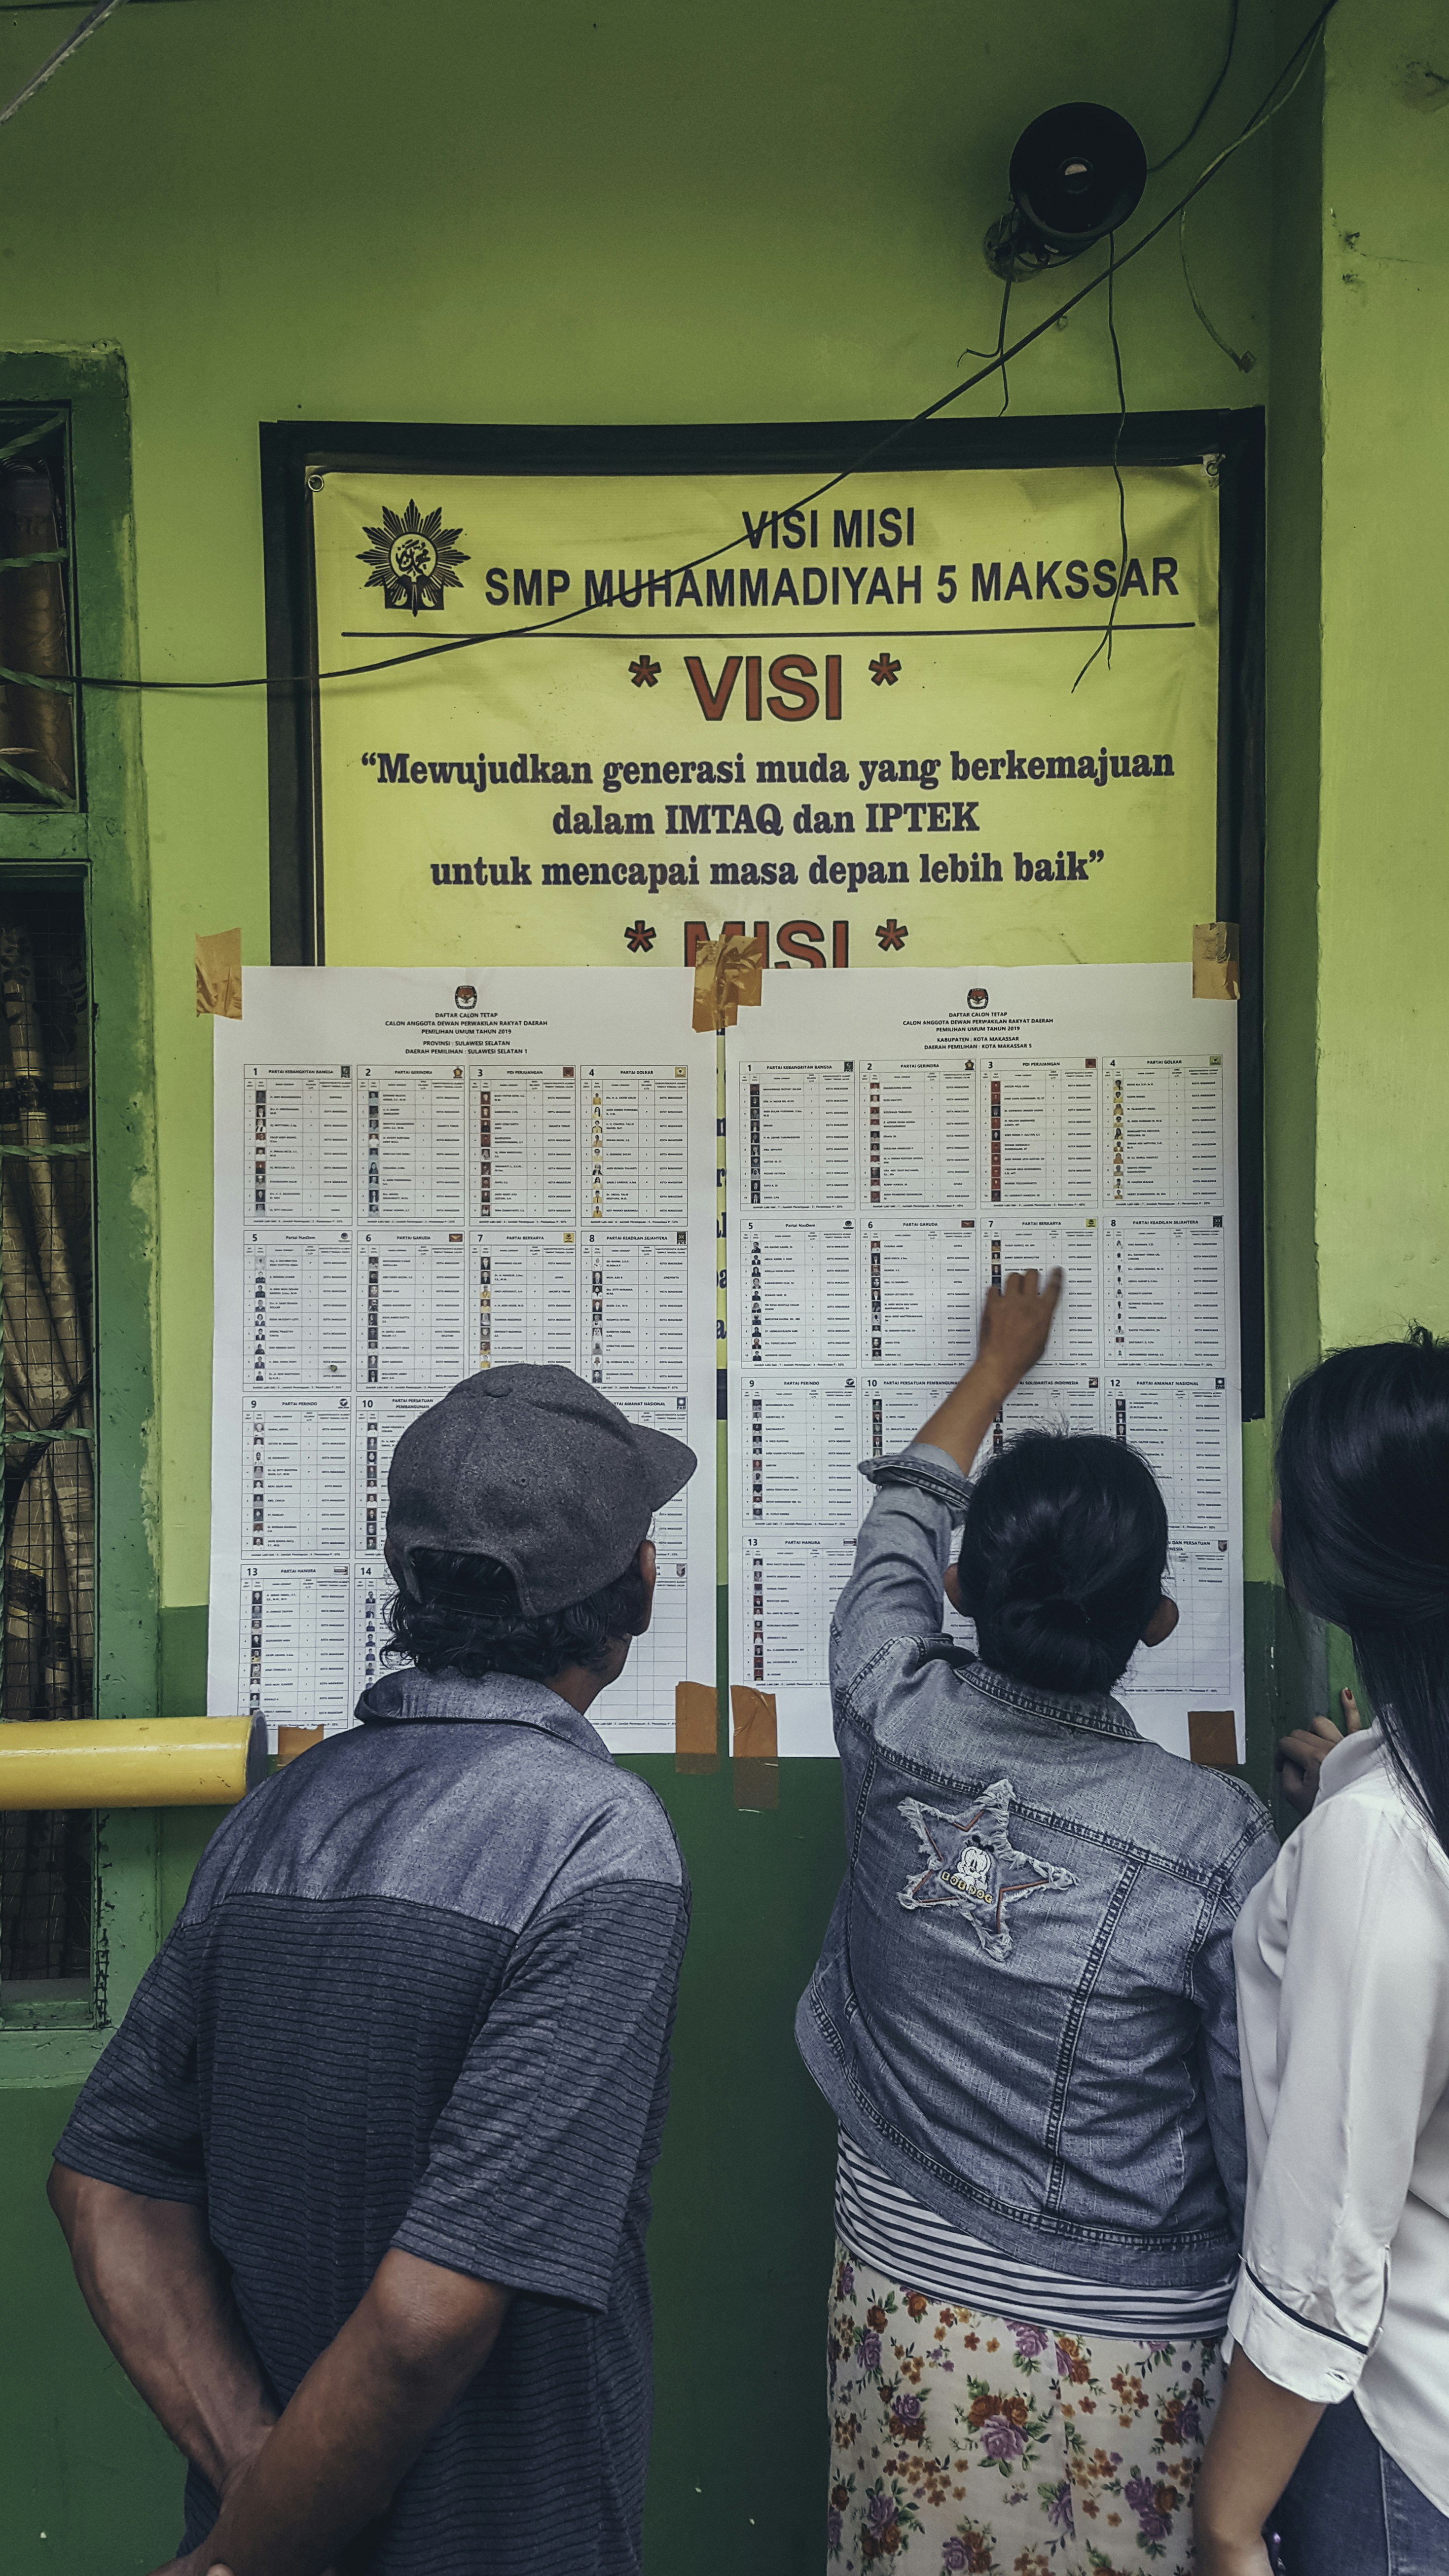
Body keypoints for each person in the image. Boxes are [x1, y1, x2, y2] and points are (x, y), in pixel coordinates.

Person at [47, 1364, 696, 2576]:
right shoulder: (597, 1841)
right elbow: (424, 2315)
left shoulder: (275, 1817)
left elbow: (106, 2182)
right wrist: (256, 2547)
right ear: (633, 1595)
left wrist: (255, 2491)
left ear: (411, 1581)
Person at [796, 1270, 1276, 2576]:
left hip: (912, 2317)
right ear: (1156, 1625)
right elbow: (1247, 2129)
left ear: (962, 1587)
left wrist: (994, 1371)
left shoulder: (891, 1711)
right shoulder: (1215, 1837)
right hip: (1144, 2343)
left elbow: (896, 1526)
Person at [1195, 1330, 1449, 2576]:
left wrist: (1228, 2519)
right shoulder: (1384, 1807)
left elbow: (1323, 2236)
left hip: (1395, 2434)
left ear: (1320, 1553)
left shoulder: (1380, 1842)